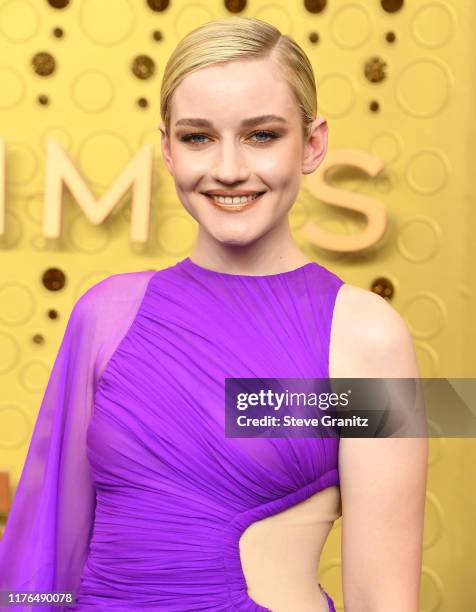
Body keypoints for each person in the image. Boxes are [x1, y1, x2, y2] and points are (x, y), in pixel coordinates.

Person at [0, 16, 428, 612]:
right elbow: (49, 550)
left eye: (261, 135)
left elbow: (383, 598)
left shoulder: (365, 336)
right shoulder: (105, 314)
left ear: (312, 143)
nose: (228, 169)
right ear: (167, 148)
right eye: (199, 137)